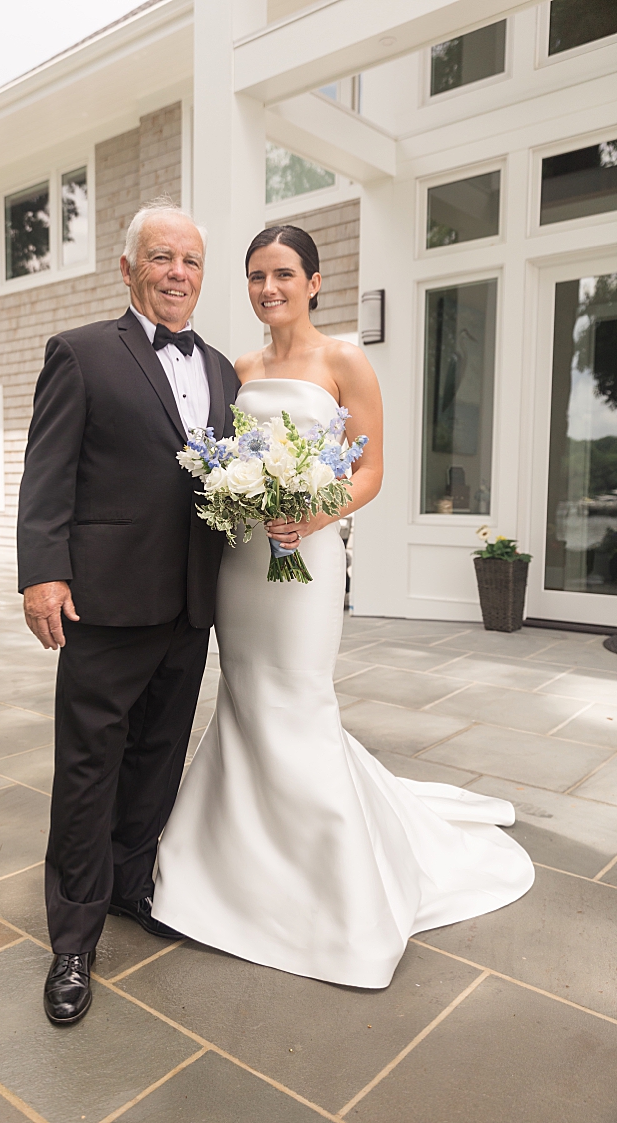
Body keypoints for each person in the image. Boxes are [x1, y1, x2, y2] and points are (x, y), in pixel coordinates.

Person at [150, 227, 534, 987]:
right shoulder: (239, 367)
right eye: (257, 275)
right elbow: (225, 460)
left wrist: (313, 514)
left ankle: (336, 887)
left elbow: (375, 468)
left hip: (310, 556)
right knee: (247, 697)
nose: (269, 288)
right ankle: (236, 866)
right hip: (245, 560)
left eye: (284, 274)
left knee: (298, 694)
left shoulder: (345, 359)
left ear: (314, 282)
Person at [17, 198, 238, 1027]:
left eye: (189, 261)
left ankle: (129, 884)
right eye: (161, 258)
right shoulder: (80, 354)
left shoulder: (222, 369)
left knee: (159, 752)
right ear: (129, 268)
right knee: (87, 767)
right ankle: (72, 935)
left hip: (190, 601)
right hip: (104, 602)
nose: (177, 273)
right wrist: (42, 573)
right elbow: (48, 471)